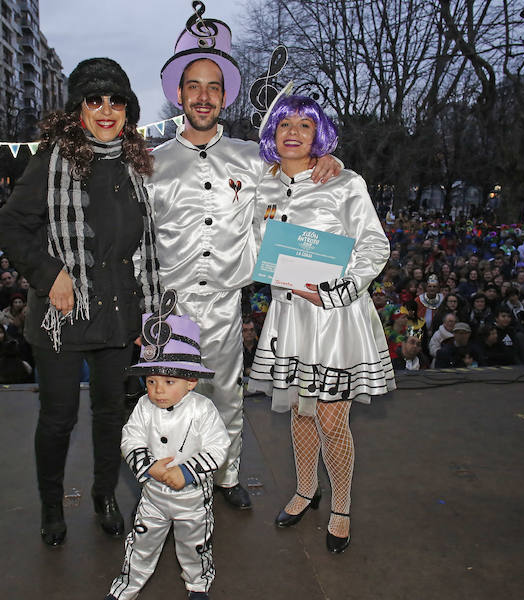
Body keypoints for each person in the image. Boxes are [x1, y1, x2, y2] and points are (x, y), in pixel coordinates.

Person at [148, 9, 340, 509]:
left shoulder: (252, 158)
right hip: (168, 309)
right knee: (168, 404)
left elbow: (289, 199)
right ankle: (171, 484)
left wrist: (325, 160)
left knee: (226, 397)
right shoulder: (149, 163)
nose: (204, 96)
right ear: (179, 94)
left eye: (213, 86)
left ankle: (228, 476)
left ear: (225, 95)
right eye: (194, 86)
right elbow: (135, 243)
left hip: (226, 306)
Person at [0, 58, 160, 544]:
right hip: (62, 316)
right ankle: (51, 507)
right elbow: (9, 226)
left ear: (128, 109)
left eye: (116, 101)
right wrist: (50, 275)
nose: (106, 110)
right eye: (95, 100)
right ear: (78, 110)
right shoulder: (50, 161)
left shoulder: (138, 164)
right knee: (59, 417)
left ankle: (104, 495)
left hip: (118, 315)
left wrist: (145, 312)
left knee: (112, 413)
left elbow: (144, 245)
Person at [247, 95, 395, 554]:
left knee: (332, 419)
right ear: (271, 133)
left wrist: (336, 290)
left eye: (304, 126)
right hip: (289, 316)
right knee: (298, 409)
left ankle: (342, 506)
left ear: (319, 135)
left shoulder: (345, 181)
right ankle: (305, 489)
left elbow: (375, 246)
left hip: (334, 318)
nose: (292, 132)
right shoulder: (260, 183)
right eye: (283, 123)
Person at [105, 297, 228, 600]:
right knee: (140, 544)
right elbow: (130, 438)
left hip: (193, 499)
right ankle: (126, 587)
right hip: (153, 496)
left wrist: (187, 471)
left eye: (169, 381)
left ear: (191, 382)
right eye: (150, 381)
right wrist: (149, 466)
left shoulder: (203, 410)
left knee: (195, 545)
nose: (158, 390)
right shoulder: (144, 407)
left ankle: (197, 584)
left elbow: (218, 445)